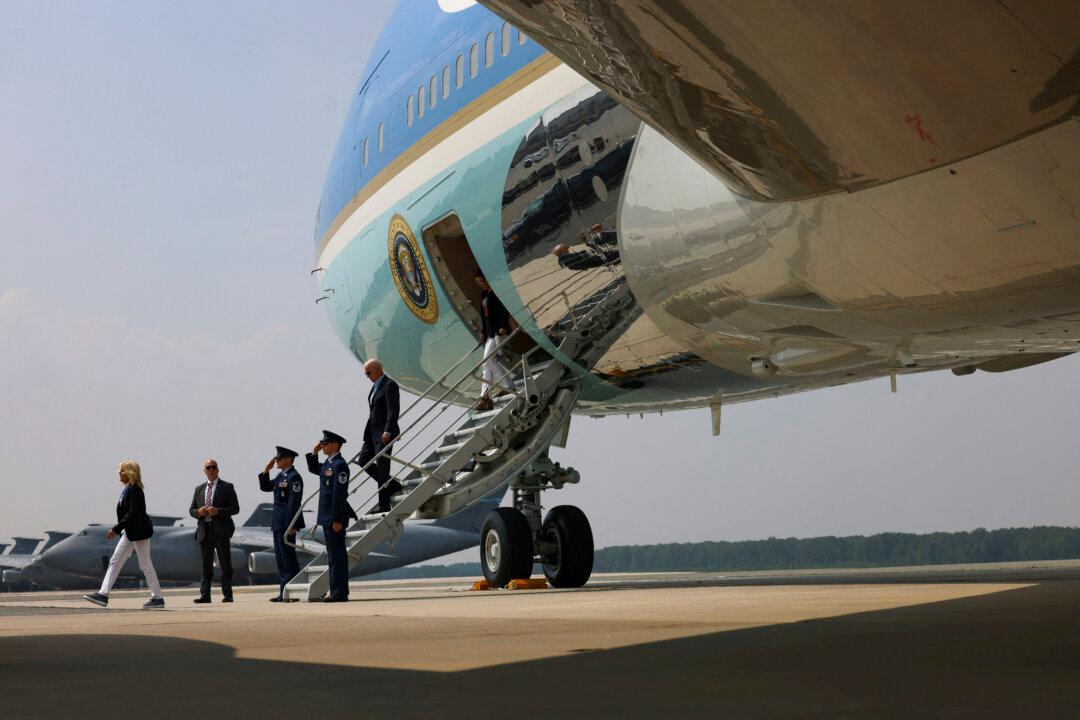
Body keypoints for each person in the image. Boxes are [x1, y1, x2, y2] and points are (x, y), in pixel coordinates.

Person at [83, 460, 164, 609]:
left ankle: (157, 598)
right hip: (130, 532)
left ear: (129, 472)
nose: (119, 474)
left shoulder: (135, 489)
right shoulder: (127, 488)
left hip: (138, 532)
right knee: (116, 561)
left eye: (121, 471)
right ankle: (103, 594)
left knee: (145, 564)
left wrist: (115, 529)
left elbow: (133, 513)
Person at [305, 430, 357, 602]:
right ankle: (336, 590)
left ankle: (340, 592)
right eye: (322, 443)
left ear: (336, 445)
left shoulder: (339, 465)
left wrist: (337, 519)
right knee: (333, 556)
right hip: (326, 516)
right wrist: (314, 452)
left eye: (325, 443)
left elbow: (339, 494)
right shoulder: (329, 464)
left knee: (338, 557)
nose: (323, 446)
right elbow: (314, 468)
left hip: (334, 518)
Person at [189, 458, 240, 604]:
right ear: (204, 471)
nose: (211, 470)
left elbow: (235, 508)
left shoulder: (227, 487)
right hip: (205, 531)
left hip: (221, 531)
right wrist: (198, 512)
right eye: (208, 467)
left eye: (213, 467)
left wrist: (218, 511)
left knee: (225, 565)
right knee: (206, 566)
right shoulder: (199, 489)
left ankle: (228, 595)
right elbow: (191, 510)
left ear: (218, 469)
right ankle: (205, 595)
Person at [258, 446, 304, 602]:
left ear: (289, 459)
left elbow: (294, 503)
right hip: (277, 522)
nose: (276, 461)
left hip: (287, 524)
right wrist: (266, 470)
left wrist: (292, 525)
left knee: (289, 558)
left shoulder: (294, 477)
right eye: (276, 459)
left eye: (279, 458)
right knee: (281, 559)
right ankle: (284, 591)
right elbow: (265, 487)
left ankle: (292, 592)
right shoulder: (280, 476)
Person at [360, 359, 401, 514]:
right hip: (371, 433)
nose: (367, 376)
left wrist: (388, 431)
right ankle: (392, 485)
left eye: (368, 372)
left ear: (377, 369)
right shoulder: (375, 387)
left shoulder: (389, 385)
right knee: (363, 460)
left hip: (384, 434)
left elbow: (393, 410)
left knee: (383, 467)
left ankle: (384, 505)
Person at [475, 269, 512, 411]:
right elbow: (485, 316)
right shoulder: (484, 294)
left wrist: (503, 325)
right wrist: (483, 331)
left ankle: (505, 388)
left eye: (482, 281)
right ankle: (486, 398)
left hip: (499, 331)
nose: (481, 285)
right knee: (487, 364)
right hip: (490, 333)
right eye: (479, 283)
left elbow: (504, 309)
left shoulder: (496, 293)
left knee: (487, 361)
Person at [552, 243, 620, 270]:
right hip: (598, 259)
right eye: (566, 248)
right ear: (561, 251)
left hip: (597, 260)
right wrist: (585, 252)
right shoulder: (566, 258)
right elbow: (579, 259)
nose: (567, 249)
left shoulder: (565, 259)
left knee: (615, 253)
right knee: (617, 253)